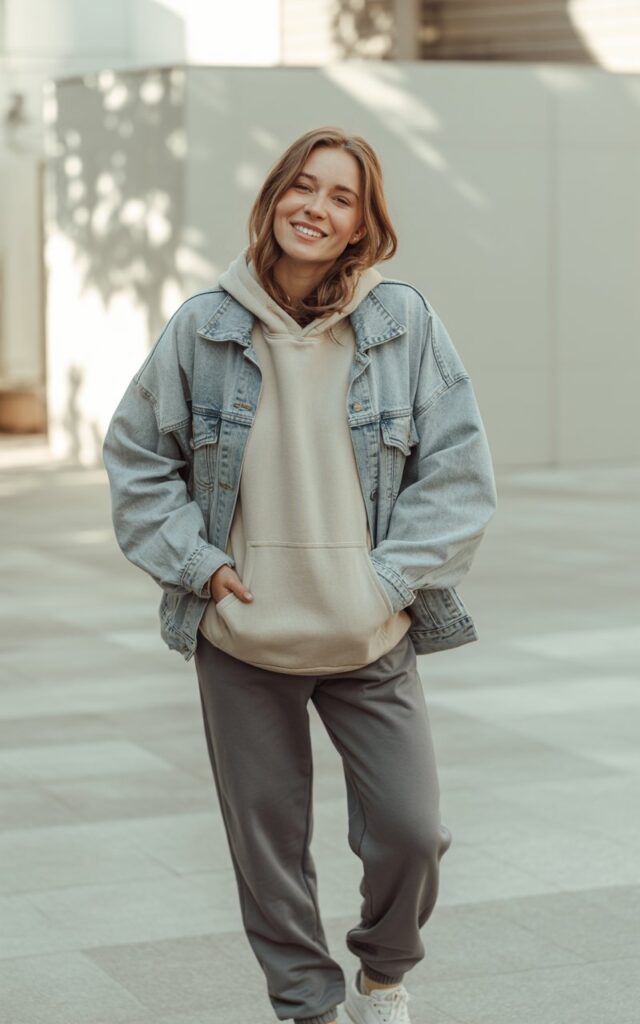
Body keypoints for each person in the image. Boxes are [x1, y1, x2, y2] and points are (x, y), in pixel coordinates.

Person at [102, 126, 497, 1024]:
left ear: (363, 225)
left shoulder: (405, 325)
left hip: (369, 635)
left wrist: (387, 583)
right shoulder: (204, 326)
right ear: (275, 196)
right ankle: (307, 1008)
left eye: (341, 197)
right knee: (268, 849)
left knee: (410, 830)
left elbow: (461, 474)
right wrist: (199, 567)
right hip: (243, 639)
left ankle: (383, 976)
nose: (315, 208)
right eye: (302, 187)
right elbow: (135, 459)